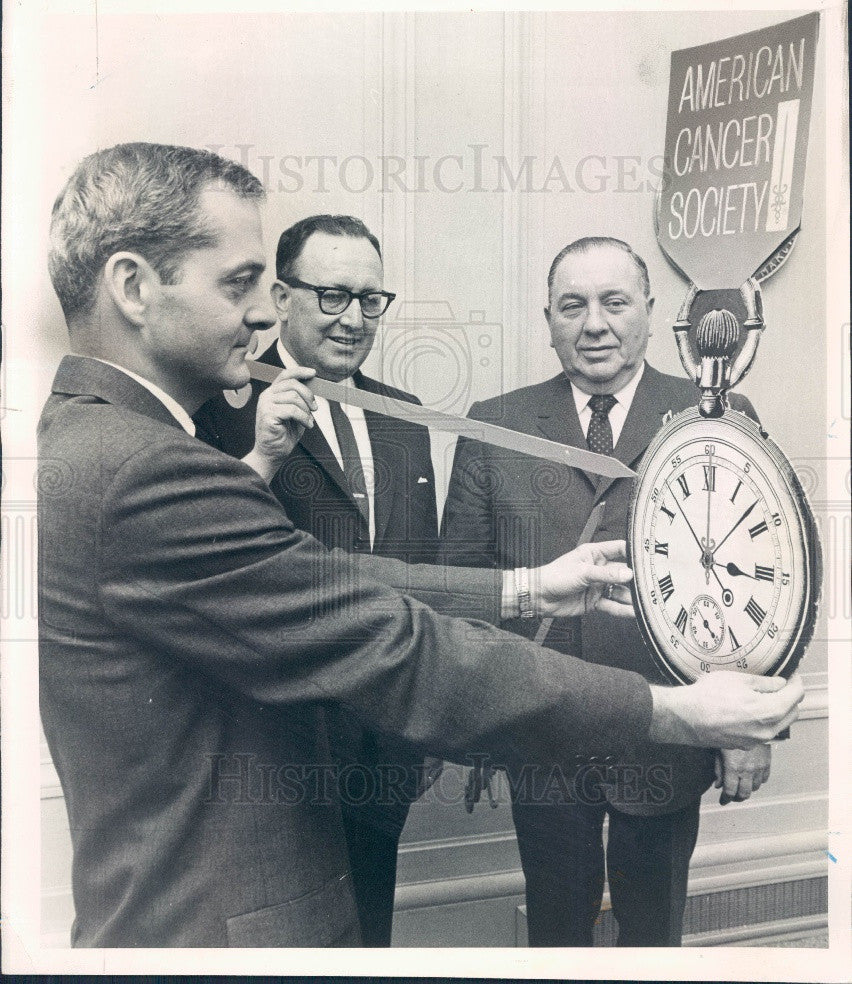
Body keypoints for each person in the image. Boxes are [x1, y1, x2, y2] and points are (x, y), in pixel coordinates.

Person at [38, 145, 801, 948]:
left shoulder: (109, 442)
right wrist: (668, 710)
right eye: (240, 285)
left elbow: (329, 580)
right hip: (221, 929)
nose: (263, 315)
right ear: (130, 286)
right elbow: (384, 636)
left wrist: (523, 591)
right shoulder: (144, 468)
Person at [441, 236, 771, 947]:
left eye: (614, 302)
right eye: (573, 305)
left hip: (668, 735)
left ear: (650, 314)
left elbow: (760, 574)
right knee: (556, 937)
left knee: (655, 938)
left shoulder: (713, 409)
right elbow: (462, 590)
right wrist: (479, 732)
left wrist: (748, 725)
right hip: (543, 734)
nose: (594, 324)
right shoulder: (494, 425)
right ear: (550, 319)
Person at [195, 214, 442, 946]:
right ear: (282, 296)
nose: (353, 318)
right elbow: (209, 573)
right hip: (276, 758)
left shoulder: (405, 417)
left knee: (372, 940)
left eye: (370, 300)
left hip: (387, 746)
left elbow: (419, 577)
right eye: (332, 296)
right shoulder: (218, 413)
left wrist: (423, 728)